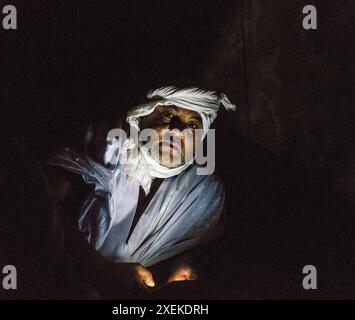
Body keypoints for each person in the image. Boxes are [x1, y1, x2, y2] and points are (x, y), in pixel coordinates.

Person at [48, 86, 236, 289]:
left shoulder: (202, 191)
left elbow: (203, 246)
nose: (177, 130)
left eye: (193, 125)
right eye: (168, 114)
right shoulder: (105, 144)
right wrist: (99, 268)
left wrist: (182, 265)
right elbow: (38, 205)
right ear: (143, 114)